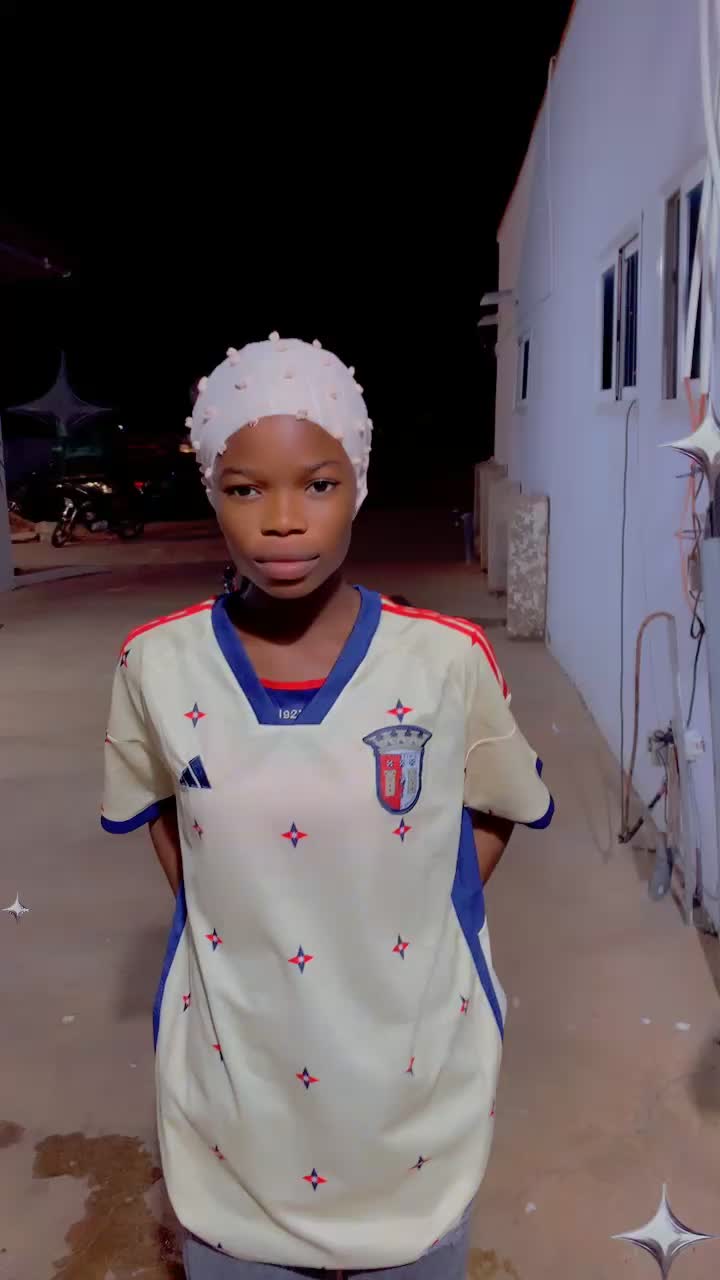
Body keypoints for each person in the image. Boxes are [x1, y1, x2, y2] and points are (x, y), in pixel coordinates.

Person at [101, 334, 554, 1280]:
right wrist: (242, 908)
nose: (281, 521)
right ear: (211, 492)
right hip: (239, 1095)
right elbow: (163, 813)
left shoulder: (443, 660)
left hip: (408, 1097)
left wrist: (410, 911)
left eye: (317, 484)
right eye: (244, 489)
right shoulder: (158, 665)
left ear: (360, 483)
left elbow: (498, 802)